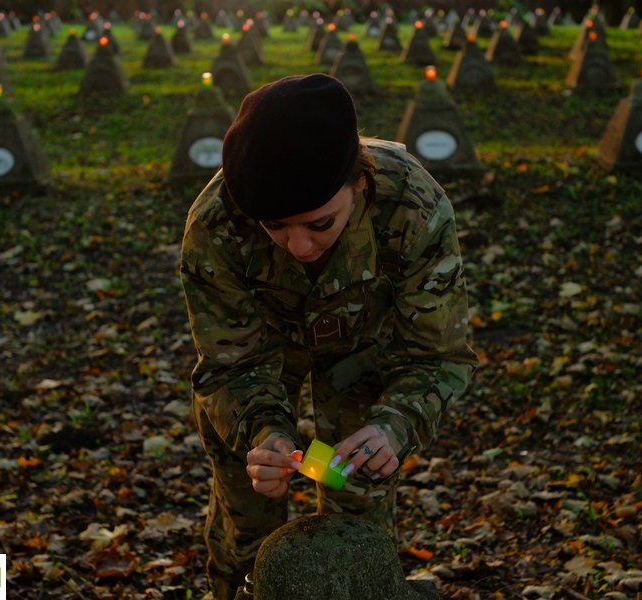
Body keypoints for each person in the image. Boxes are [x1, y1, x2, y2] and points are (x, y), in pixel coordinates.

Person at [179, 73, 478, 600]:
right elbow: (228, 364)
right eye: (275, 227)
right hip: (262, 359)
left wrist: (395, 424)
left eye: (319, 224)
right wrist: (263, 435)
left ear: (358, 184)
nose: (297, 246)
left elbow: (438, 355)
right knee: (246, 525)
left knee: (358, 520)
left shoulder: (412, 205)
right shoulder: (216, 225)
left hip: (364, 350)